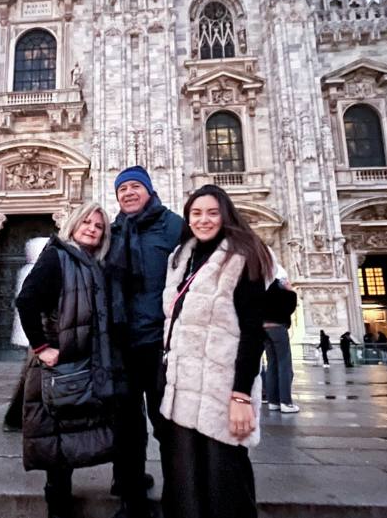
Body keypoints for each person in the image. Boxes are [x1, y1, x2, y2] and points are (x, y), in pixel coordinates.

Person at [159, 184, 272, 518]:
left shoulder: (243, 255)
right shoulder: (181, 257)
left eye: (211, 212)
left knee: (225, 482)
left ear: (225, 215)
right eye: (196, 213)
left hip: (221, 390)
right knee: (186, 484)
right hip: (182, 389)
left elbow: (252, 333)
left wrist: (240, 396)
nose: (203, 220)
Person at [15, 202, 121, 518]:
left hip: (84, 362)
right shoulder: (57, 256)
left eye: (98, 225)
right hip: (57, 365)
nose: (91, 228)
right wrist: (41, 347)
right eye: (86, 222)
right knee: (57, 433)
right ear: (73, 225)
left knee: (73, 430)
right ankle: (57, 502)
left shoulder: (94, 263)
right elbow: (26, 300)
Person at [106, 165, 184, 518]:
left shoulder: (174, 226)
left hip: (160, 343)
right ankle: (131, 494)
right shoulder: (113, 231)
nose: (128, 193)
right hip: (122, 342)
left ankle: (178, 494)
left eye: (135, 186)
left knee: (166, 422)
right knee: (126, 424)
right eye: (123, 189)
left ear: (149, 190)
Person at [263, 266, 299, 414]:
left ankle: (273, 401)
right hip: (278, 328)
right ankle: (286, 402)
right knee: (284, 365)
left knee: (271, 364)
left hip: (264, 328)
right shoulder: (280, 288)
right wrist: (290, 291)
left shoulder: (262, 287)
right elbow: (290, 307)